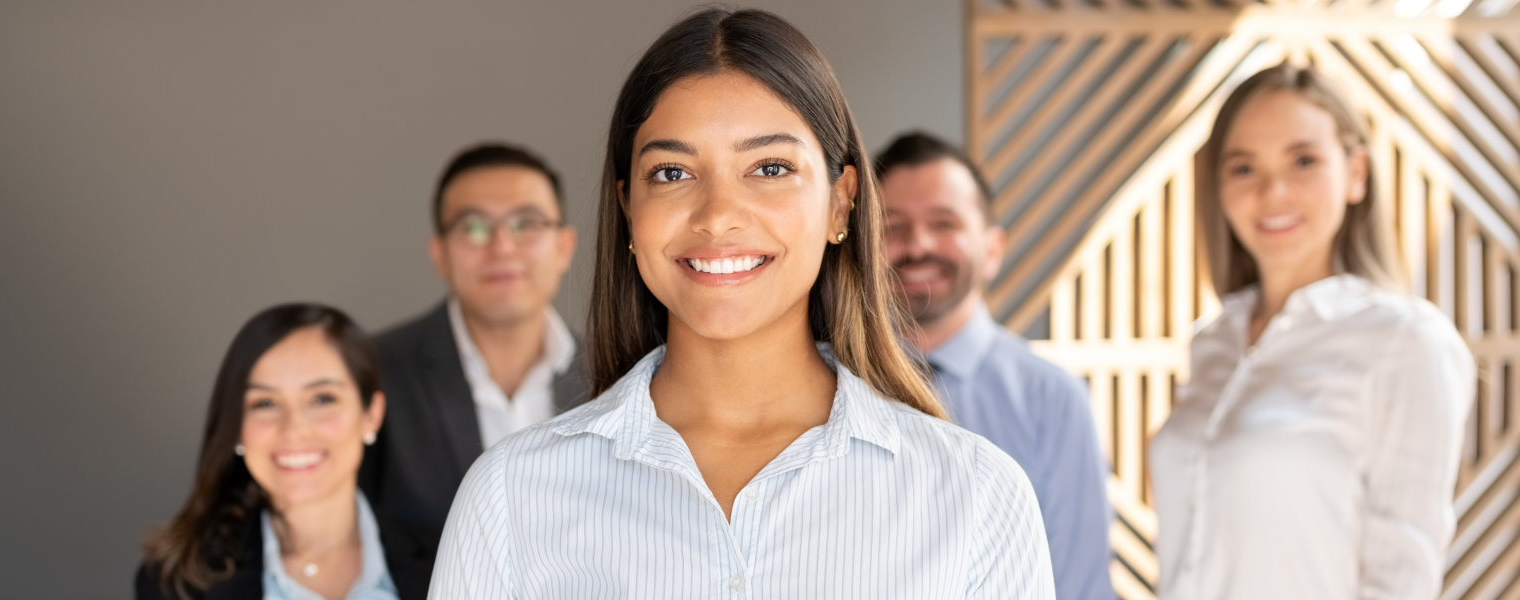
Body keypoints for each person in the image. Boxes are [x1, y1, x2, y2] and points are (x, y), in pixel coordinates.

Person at [426, 8, 1054, 599]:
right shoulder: (510, 496)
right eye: (672, 173)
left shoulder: (976, 496)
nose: (718, 216)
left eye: (770, 167)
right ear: (627, 209)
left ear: (841, 201)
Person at [1148, 64, 1475, 599]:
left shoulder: (1406, 342)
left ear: (1356, 173)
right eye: (1243, 168)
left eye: (1304, 161)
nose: (1273, 190)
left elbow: (1401, 578)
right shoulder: (1212, 343)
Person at [877, 131, 1117, 600]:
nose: (918, 244)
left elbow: (1077, 586)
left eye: (944, 223)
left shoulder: (1052, 400)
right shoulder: (828, 385)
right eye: (892, 226)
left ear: (991, 249)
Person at [359, 143, 587, 549]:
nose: (501, 247)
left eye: (526, 224)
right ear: (440, 254)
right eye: (474, 227)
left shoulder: (623, 374)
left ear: (563, 248)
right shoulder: (372, 372)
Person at [137, 303, 433, 600]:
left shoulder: (449, 560)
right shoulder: (175, 585)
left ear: (372, 415)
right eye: (264, 403)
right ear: (236, 426)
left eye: (322, 399)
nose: (293, 430)